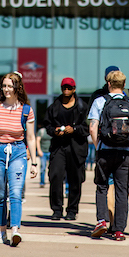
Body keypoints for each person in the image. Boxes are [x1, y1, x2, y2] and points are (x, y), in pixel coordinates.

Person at [0, 72, 37, 246]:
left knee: (16, 193)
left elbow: (31, 137)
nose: (6, 89)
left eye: (10, 86)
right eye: (4, 86)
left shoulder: (26, 110)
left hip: (18, 151)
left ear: (18, 87)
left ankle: (15, 230)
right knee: (0, 194)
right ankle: (1, 231)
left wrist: (33, 162)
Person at [87, 70, 129, 241]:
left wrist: (99, 146)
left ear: (109, 84)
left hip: (105, 151)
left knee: (102, 186)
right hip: (124, 153)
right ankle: (119, 230)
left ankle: (101, 221)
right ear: (124, 85)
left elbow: (92, 127)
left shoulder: (100, 101)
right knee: (122, 190)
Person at [42, 77, 89, 221]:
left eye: (70, 88)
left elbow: (88, 128)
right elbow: (47, 126)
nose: (67, 90)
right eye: (64, 88)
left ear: (74, 89)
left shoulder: (83, 107)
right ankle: (57, 209)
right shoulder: (54, 107)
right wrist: (55, 131)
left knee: (75, 179)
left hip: (76, 148)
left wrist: (73, 129)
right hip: (58, 147)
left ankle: (72, 210)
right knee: (55, 176)